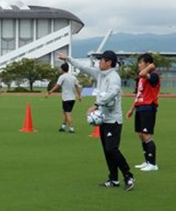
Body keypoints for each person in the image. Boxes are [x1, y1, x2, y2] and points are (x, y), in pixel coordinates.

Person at [57, 50, 135, 191]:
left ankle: (128, 176)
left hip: (114, 121)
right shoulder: (100, 74)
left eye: (101, 60)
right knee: (107, 150)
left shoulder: (114, 77)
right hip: (103, 119)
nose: (99, 62)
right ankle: (113, 179)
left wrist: (97, 105)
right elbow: (83, 68)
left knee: (112, 149)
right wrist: (68, 58)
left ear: (109, 62)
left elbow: (112, 94)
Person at [126, 53, 160, 172]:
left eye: (141, 62)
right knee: (141, 135)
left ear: (147, 64)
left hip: (148, 107)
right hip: (140, 108)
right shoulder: (140, 79)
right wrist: (131, 109)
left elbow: (143, 73)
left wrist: (151, 66)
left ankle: (153, 163)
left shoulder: (153, 75)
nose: (139, 65)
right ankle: (146, 161)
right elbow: (138, 95)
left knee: (146, 135)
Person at [45, 63, 82, 133]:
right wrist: (79, 96)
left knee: (67, 113)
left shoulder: (62, 77)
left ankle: (71, 128)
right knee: (65, 112)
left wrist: (49, 92)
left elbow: (57, 86)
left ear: (62, 69)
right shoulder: (73, 77)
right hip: (72, 98)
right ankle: (63, 126)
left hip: (66, 98)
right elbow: (77, 87)